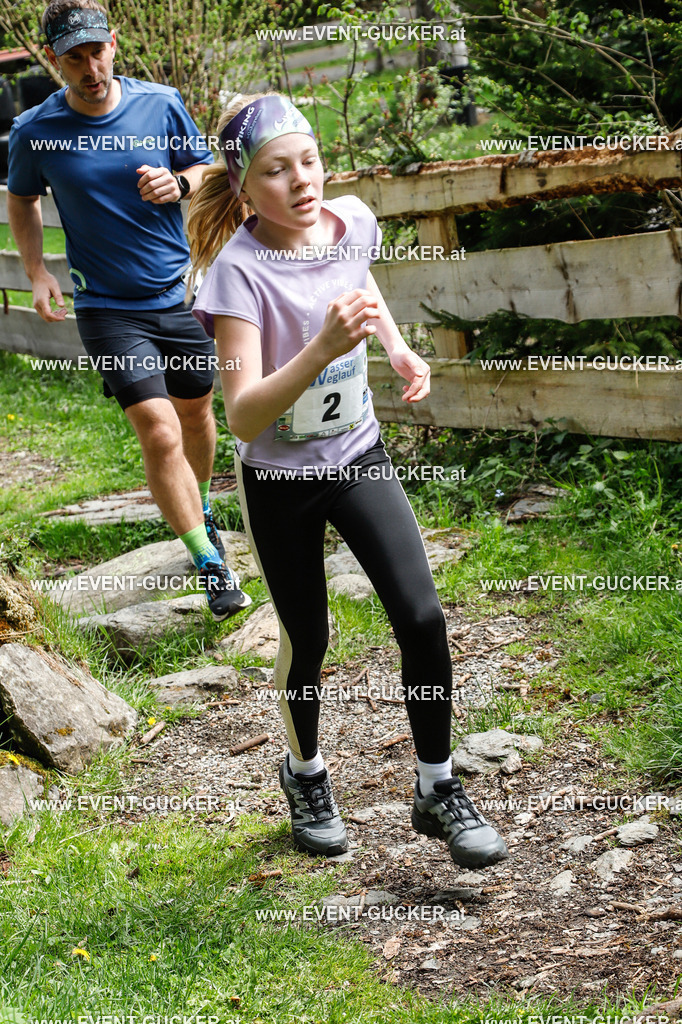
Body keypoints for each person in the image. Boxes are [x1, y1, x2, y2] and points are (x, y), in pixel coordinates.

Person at [189, 92, 508, 868]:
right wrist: (320, 346)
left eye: (309, 161)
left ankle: (436, 787)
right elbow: (243, 413)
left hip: (358, 456)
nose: (301, 181)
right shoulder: (235, 278)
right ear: (243, 188)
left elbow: (363, 292)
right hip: (280, 480)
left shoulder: (352, 221)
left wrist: (395, 347)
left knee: (422, 616)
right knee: (309, 638)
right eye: (276, 170)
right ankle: (305, 775)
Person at [6, 0, 250, 620]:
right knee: (159, 428)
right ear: (52, 59)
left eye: (98, 51)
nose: (90, 68)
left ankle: (199, 511)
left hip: (177, 293)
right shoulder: (37, 130)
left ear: (114, 42)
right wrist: (36, 272)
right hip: (106, 307)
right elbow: (24, 199)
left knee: (196, 417)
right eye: (74, 58)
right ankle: (209, 562)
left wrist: (183, 184)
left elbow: (206, 164)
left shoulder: (160, 103)